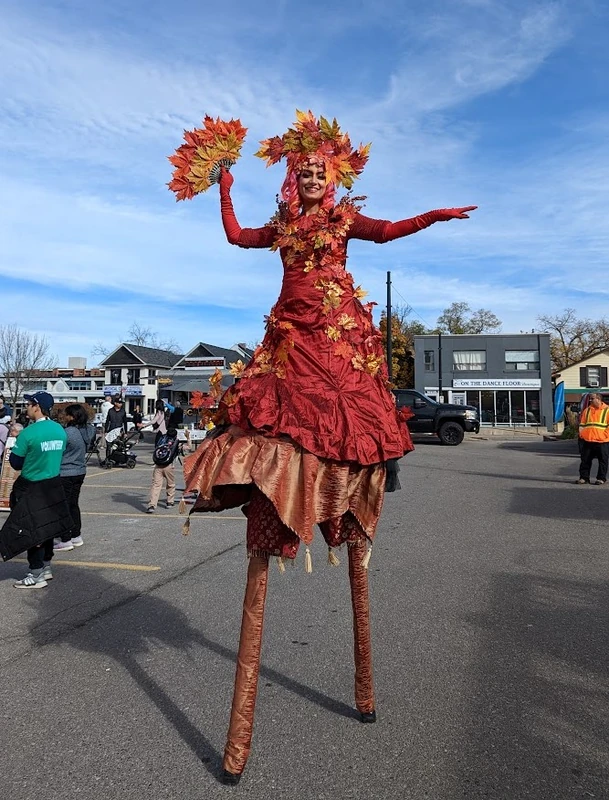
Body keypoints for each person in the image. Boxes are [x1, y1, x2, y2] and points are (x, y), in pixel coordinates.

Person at [181, 110, 476, 783]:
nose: (313, 176)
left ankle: (363, 673)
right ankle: (278, 500)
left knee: (350, 429)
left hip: (337, 345)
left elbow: (389, 229)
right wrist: (224, 185)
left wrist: (433, 215)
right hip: (291, 346)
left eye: (321, 169)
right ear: (295, 177)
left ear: (332, 176)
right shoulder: (283, 225)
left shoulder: (343, 221)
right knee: (273, 426)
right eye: (304, 170)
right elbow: (235, 236)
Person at [2, 391, 70, 588]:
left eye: (29, 403)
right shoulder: (59, 430)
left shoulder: (29, 433)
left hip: (31, 485)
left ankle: (36, 573)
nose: (27, 407)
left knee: (30, 530)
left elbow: (15, 462)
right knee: (48, 527)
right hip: (53, 483)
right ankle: (46, 566)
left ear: (37, 406)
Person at [55, 404, 95, 551]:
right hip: (80, 470)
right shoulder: (88, 430)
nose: (64, 417)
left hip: (66, 471)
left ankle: (65, 539)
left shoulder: (68, 432)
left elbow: (59, 449)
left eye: (66, 414)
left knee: (64, 506)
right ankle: (76, 535)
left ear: (72, 417)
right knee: (73, 504)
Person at [146, 428, 190, 513]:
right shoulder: (176, 443)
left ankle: (152, 505)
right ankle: (170, 502)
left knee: (156, 486)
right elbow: (188, 447)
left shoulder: (161, 441)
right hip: (169, 466)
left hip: (158, 466)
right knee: (170, 484)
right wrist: (188, 437)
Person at [576, 392, 609, 485]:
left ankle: (601, 478)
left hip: (602, 441)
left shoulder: (607, 410)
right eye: (590, 398)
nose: (590, 400)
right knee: (585, 460)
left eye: (592, 398)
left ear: (598, 399)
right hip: (588, 440)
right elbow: (582, 424)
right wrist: (582, 435)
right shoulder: (587, 410)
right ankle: (584, 478)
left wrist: (604, 436)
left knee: (603, 461)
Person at [104, 396, 128, 463]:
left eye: (121, 403)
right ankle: (108, 459)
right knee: (109, 446)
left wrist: (125, 432)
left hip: (119, 431)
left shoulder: (123, 411)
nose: (120, 404)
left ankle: (117, 459)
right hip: (111, 430)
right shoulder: (110, 411)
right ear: (115, 403)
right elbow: (107, 421)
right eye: (119, 403)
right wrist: (106, 431)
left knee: (118, 446)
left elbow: (125, 422)